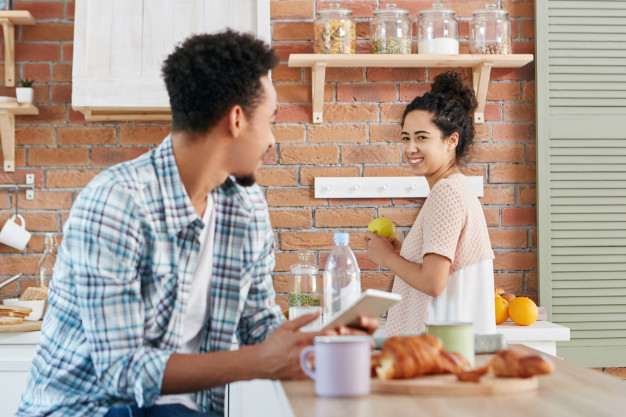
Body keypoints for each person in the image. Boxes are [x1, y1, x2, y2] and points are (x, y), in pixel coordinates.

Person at [17, 31, 376, 417]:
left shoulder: (246, 205)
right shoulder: (116, 203)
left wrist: (318, 346)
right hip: (86, 409)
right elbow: (122, 372)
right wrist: (259, 361)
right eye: (270, 121)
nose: (272, 140)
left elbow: (258, 322)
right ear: (236, 119)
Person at [365, 71, 496, 337]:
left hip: (437, 349)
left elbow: (433, 282)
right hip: (446, 348)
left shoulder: (446, 193)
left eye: (422, 137)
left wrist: (386, 257)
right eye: (405, 138)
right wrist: (404, 254)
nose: (410, 148)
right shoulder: (456, 189)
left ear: (451, 141)